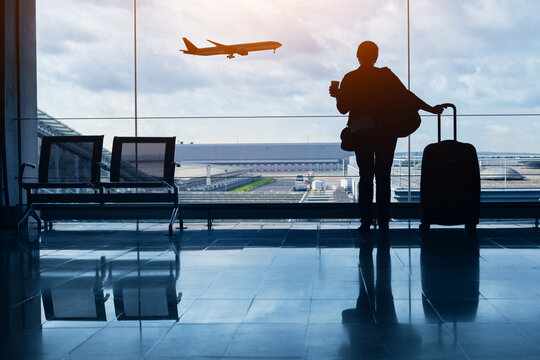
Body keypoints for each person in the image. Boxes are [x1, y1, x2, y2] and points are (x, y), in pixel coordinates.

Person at [330, 41, 445, 232]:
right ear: (376, 56)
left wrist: (337, 94)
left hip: (362, 133)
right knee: (383, 177)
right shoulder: (385, 76)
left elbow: (343, 109)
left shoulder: (350, 78)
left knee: (365, 177)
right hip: (385, 132)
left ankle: (366, 221)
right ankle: (384, 222)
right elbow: (407, 96)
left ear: (358, 56)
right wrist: (430, 109)